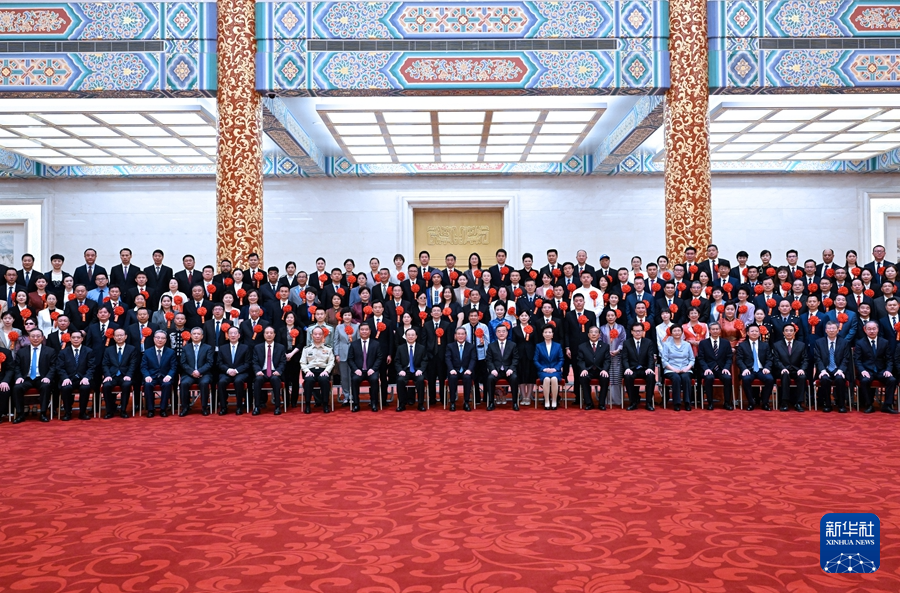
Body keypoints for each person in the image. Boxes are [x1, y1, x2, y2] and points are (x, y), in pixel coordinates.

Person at [11, 327, 56, 423]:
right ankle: (20, 414)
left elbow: (53, 366)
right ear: (29, 337)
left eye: (38, 336)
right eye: (33, 336)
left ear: (42, 338)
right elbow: (17, 366)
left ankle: (43, 413)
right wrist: (19, 377)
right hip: (26, 378)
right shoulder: (21, 352)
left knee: (46, 386)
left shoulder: (50, 351)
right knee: (17, 388)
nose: (35, 338)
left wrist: (48, 377)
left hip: (42, 378)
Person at [855, 320, 898, 414]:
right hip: (867, 370)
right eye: (869, 329)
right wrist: (862, 371)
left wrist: (888, 370)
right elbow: (857, 360)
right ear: (865, 330)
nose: (872, 331)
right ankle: (869, 405)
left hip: (881, 370)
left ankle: (887, 405)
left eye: (874, 329)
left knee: (892, 380)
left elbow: (889, 359)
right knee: (865, 380)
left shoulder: (884, 342)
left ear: (878, 329)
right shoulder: (860, 343)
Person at [57, 329, 95, 421]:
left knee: (85, 387)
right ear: (70, 339)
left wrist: (86, 377)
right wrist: (65, 378)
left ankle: (82, 412)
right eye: (73, 337)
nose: (76, 339)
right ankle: (67, 412)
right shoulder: (63, 352)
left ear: (82, 339)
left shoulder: (88, 351)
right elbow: (60, 367)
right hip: (69, 378)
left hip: (83, 378)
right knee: (66, 387)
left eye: (78, 337)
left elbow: (92, 367)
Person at [736, 325, 775, 410]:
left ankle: (765, 402)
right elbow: (739, 360)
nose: (754, 333)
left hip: (762, 369)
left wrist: (767, 367)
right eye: (752, 331)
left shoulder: (765, 345)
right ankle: (751, 402)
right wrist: (744, 369)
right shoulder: (742, 345)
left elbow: (769, 359)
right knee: (746, 379)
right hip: (749, 370)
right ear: (747, 333)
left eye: (756, 331)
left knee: (770, 379)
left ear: (759, 333)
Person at [814, 321, 850, 413]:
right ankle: (827, 404)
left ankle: (841, 405)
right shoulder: (819, 342)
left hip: (839, 369)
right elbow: (817, 358)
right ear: (825, 330)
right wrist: (822, 370)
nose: (831, 330)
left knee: (839, 379)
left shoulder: (844, 342)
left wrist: (841, 370)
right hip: (825, 369)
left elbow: (846, 358)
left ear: (838, 330)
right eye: (829, 328)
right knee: (824, 379)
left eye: (833, 328)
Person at [696, 323, 733, 411]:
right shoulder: (703, 343)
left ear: (720, 330)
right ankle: (710, 403)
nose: (715, 331)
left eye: (717, 329)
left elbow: (729, 357)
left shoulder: (726, 342)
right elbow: (700, 358)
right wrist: (706, 368)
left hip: (722, 368)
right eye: (713, 329)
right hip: (708, 368)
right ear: (709, 331)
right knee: (709, 378)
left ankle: (727, 403)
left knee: (728, 378)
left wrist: (726, 368)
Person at [101, 328, 137, 419]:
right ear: (113, 337)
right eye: (117, 335)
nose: (119, 337)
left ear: (126, 336)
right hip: (112, 375)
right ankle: (110, 410)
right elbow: (105, 364)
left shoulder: (132, 349)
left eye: (121, 335)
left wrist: (129, 375)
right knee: (106, 385)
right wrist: (107, 375)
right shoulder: (108, 350)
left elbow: (133, 364)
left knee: (126, 385)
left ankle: (123, 410)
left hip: (125, 375)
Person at [771, 323, 807, 412]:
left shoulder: (801, 345)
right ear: (783, 332)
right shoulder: (777, 345)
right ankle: (784, 402)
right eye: (786, 331)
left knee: (802, 377)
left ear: (794, 332)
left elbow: (805, 360)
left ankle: (799, 403)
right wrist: (782, 368)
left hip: (796, 370)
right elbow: (776, 360)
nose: (789, 333)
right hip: (783, 369)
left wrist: (802, 369)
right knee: (785, 375)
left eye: (791, 331)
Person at [178, 327, 213, 416]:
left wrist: (199, 371)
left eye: (198, 334)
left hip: (203, 374)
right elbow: (183, 363)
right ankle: (185, 407)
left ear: (202, 336)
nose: (196, 336)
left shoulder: (208, 348)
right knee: (184, 383)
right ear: (191, 335)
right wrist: (192, 372)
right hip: (189, 374)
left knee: (204, 383)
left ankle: (204, 407)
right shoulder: (186, 348)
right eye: (194, 334)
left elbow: (209, 363)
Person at [141, 330, 176, 418]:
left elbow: (173, 367)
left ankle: (163, 409)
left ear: (166, 340)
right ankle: (150, 409)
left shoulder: (171, 352)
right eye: (158, 337)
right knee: (148, 385)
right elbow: (143, 367)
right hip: (151, 376)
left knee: (167, 384)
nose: (160, 340)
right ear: (154, 339)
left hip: (165, 376)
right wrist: (147, 376)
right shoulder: (147, 352)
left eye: (162, 338)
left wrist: (169, 375)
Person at [300, 326, 334, 414]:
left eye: (320, 334)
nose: (317, 336)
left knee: (324, 380)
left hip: (323, 370)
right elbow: (302, 363)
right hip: (310, 371)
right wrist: (307, 371)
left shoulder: (328, 348)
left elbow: (331, 362)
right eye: (315, 334)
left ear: (323, 335)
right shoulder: (306, 349)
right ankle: (307, 405)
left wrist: (326, 371)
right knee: (309, 380)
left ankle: (325, 404)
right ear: (312, 336)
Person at [347, 322, 381, 412]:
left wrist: (373, 369)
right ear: (359, 331)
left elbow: (379, 358)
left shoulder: (376, 344)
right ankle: (356, 404)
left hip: (371, 370)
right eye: (362, 330)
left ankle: (374, 403)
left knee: (374, 379)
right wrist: (355, 369)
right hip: (358, 371)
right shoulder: (354, 344)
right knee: (354, 379)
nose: (364, 331)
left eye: (366, 330)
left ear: (370, 331)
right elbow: (350, 359)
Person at [622, 322, 656, 411]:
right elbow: (624, 358)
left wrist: (649, 368)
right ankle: (633, 402)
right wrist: (627, 368)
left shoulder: (648, 342)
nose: (638, 333)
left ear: (643, 332)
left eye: (640, 331)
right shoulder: (627, 343)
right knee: (627, 376)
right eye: (635, 331)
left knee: (651, 376)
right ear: (632, 332)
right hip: (632, 369)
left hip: (644, 369)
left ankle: (648, 403)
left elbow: (650, 357)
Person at [485, 322, 518, 411]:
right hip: (496, 370)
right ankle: (491, 402)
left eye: (503, 331)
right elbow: (488, 360)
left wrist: (511, 369)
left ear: (507, 333)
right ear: (496, 333)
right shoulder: (491, 346)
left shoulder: (512, 345)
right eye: (499, 331)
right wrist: (492, 369)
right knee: (490, 378)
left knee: (514, 378)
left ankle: (515, 403)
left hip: (508, 370)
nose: (501, 333)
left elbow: (515, 359)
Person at [218, 326, 251, 415]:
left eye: (235, 333)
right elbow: (219, 363)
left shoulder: (245, 347)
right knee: (221, 382)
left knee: (238, 381)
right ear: (227, 335)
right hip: (226, 372)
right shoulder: (222, 348)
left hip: (240, 372)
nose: (233, 335)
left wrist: (236, 371)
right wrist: (228, 370)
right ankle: (223, 407)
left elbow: (247, 363)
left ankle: (239, 406)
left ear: (239, 335)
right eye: (231, 333)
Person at [395, 327, 429, 411]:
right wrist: (400, 370)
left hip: (417, 370)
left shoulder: (421, 348)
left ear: (416, 336)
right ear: (405, 336)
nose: (410, 337)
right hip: (405, 370)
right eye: (409, 335)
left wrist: (421, 370)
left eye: (412, 335)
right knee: (400, 380)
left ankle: (420, 404)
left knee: (420, 380)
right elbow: (397, 361)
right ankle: (402, 404)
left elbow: (425, 360)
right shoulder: (400, 348)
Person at [660, 325, 694, 411]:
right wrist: (673, 369)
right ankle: (677, 403)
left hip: (685, 368)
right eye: (674, 331)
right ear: (671, 333)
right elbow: (664, 360)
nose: (677, 333)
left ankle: (687, 402)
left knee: (686, 378)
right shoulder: (667, 345)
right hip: (671, 369)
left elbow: (692, 359)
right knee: (676, 378)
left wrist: (687, 368)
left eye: (679, 330)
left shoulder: (687, 345)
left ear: (682, 332)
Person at [577, 326, 610, 410]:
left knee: (605, 378)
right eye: (591, 332)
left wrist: (604, 370)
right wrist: (583, 369)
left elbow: (607, 360)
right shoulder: (582, 346)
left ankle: (601, 403)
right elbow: (580, 360)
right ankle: (589, 403)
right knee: (583, 378)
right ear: (588, 334)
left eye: (596, 332)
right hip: (588, 370)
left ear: (599, 335)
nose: (593, 334)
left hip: (600, 370)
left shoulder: (605, 346)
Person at [446, 326, 476, 411]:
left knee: (467, 378)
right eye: (458, 334)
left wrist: (469, 369)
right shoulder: (450, 346)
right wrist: (451, 369)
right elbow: (448, 359)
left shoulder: (471, 346)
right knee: (452, 378)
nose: (460, 336)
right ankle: (452, 402)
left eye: (462, 334)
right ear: (455, 335)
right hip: (454, 370)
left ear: (466, 335)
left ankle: (466, 402)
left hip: (466, 370)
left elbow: (473, 359)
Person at [599, 309, 626, 406]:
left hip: (618, 356)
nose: (610, 317)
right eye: (608, 315)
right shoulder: (602, 328)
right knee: (607, 377)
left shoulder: (621, 328)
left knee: (617, 378)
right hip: (605, 357)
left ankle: (617, 399)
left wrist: (618, 350)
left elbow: (623, 340)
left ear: (616, 316)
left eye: (612, 315)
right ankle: (606, 399)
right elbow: (600, 341)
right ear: (606, 317)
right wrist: (606, 352)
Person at [534, 325, 564, 410]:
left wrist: (555, 368)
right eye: (545, 332)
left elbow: (561, 359)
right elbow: (536, 360)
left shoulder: (558, 346)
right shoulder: (539, 346)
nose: (547, 334)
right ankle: (547, 401)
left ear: (553, 334)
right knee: (546, 379)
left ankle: (554, 401)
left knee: (554, 379)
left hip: (555, 370)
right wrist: (543, 369)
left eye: (549, 332)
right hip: (543, 370)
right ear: (542, 334)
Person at [333, 308, 358, 405]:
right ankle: (346, 396)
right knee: (344, 377)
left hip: (354, 354)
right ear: (342, 317)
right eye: (345, 315)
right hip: (342, 354)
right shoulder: (338, 327)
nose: (347, 317)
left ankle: (353, 395)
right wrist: (336, 354)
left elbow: (358, 341)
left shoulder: (356, 327)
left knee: (352, 376)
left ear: (352, 316)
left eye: (349, 315)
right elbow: (336, 341)